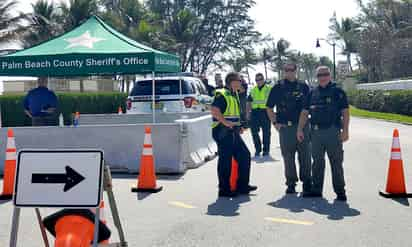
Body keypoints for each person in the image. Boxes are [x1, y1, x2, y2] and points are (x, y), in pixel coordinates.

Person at [297, 66, 350, 201]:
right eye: (320, 75)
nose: (322, 77)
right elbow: (304, 112)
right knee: (317, 163)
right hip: (315, 133)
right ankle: (316, 189)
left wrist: (346, 130)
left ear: (329, 75)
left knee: (336, 163)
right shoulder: (312, 93)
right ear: (317, 77)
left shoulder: (338, 92)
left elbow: (345, 112)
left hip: (333, 131)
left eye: (325, 74)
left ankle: (340, 191)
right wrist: (300, 129)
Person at [266, 63, 311, 195]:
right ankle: (291, 183)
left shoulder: (303, 86)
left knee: (305, 156)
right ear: (283, 71)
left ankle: (307, 182)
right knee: (288, 157)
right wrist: (275, 123)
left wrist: (302, 127)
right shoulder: (278, 87)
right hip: (286, 128)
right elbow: (269, 107)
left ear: (296, 71)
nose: (289, 72)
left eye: (291, 70)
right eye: (286, 70)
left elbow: (307, 108)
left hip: (302, 126)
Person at [211, 72, 257, 197]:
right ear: (232, 82)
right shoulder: (222, 94)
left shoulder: (233, 94)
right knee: (225, 161)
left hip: (232, 132)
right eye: (239, 80)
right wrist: (226, 123)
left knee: (244, 156)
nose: (241, 82)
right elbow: (214, 111)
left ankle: (242, 186)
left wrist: (239, 126)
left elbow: (233, 114)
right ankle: (224, 189)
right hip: (222, 132)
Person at [247, 73, 272, 157]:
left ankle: (266, 150)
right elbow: (249, 101)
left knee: (266, 132)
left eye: (260, 79)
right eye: (257, 80)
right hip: (255, 113)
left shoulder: (269, 88)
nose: (259, 81)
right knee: (254, 132)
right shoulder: (253, 90)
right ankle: (258, 149)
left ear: (263, 79)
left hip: (265, 112)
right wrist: (248, 113)